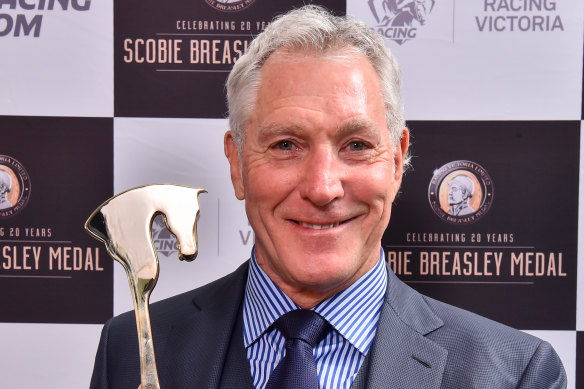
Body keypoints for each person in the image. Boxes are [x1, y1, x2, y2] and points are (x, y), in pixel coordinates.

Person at [90, 6, 566, 389]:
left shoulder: (513, 374)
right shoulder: (131, 349)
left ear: (397, 161)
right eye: (285, 145)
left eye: (357, 146)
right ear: (237, 165)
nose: (322, 187)